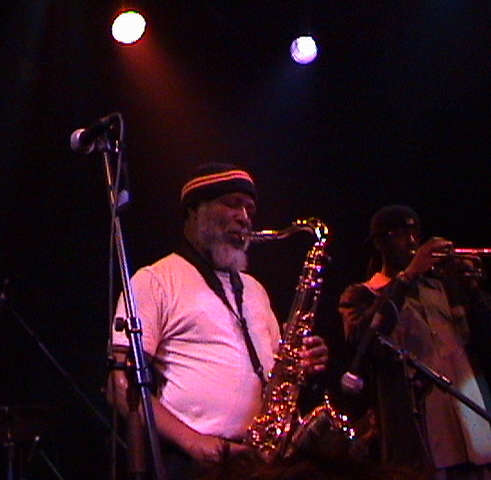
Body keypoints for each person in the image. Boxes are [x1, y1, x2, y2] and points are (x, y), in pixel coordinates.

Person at [107, 163, 329, 480]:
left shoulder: (255, 290)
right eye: (232, 204)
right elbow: (121, 386)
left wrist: (300, 364)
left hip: (259, 459)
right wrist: (196, 443)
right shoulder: (155, 280)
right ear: (195, 210)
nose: (244, 217)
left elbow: (274, 370)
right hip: (197, 462)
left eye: (250, 209)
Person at [337, 205, 491, 480]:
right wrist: (407, 277)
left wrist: (473, 290)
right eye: (400, 234)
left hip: (475, 437)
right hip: (420, 446)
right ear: (379, 243)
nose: (411, 241)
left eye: (415, 232)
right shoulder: (361, 295)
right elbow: (363, 344)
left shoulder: (446, 287)